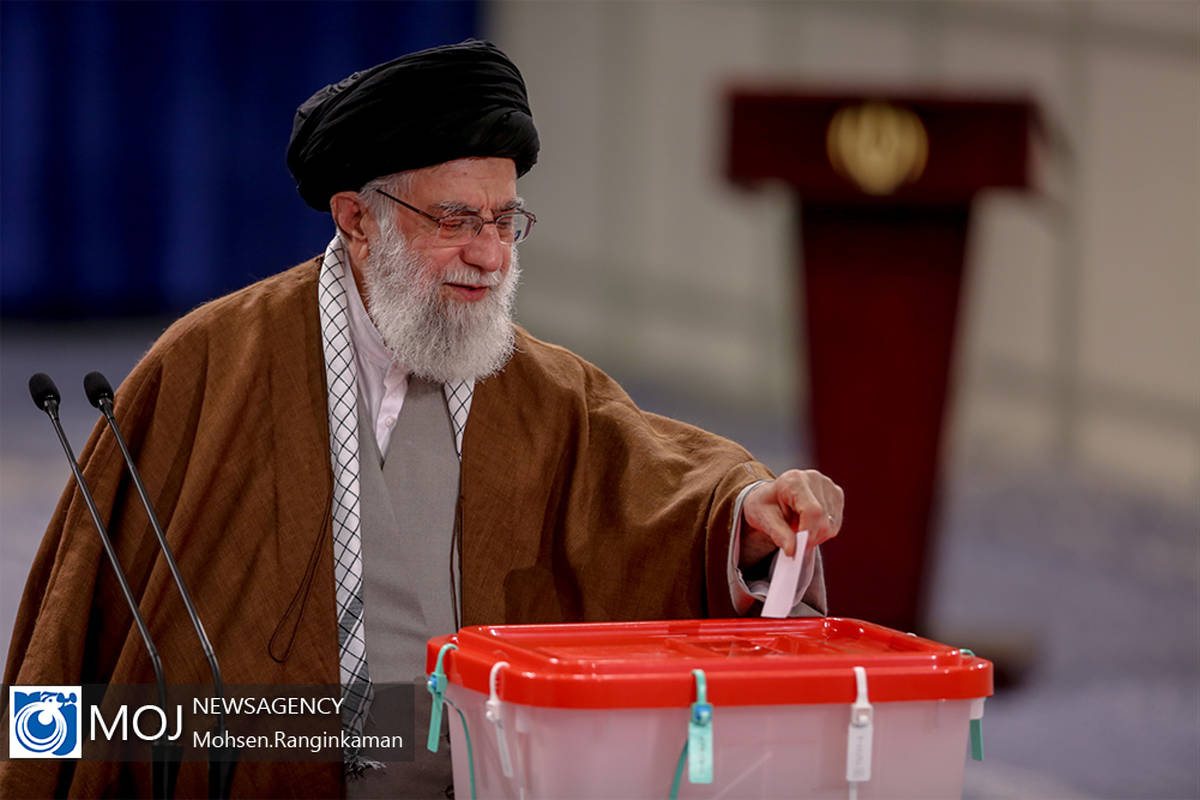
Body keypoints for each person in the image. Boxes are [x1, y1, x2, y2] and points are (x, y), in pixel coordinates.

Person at [1, 40, 842, 799]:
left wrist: (748, 516)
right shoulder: (210, 365)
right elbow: (75, 621)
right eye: (456, 220)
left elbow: (663, 491)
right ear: (357, 221)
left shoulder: (546, 391)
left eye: (505, 221)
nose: (490, 254)